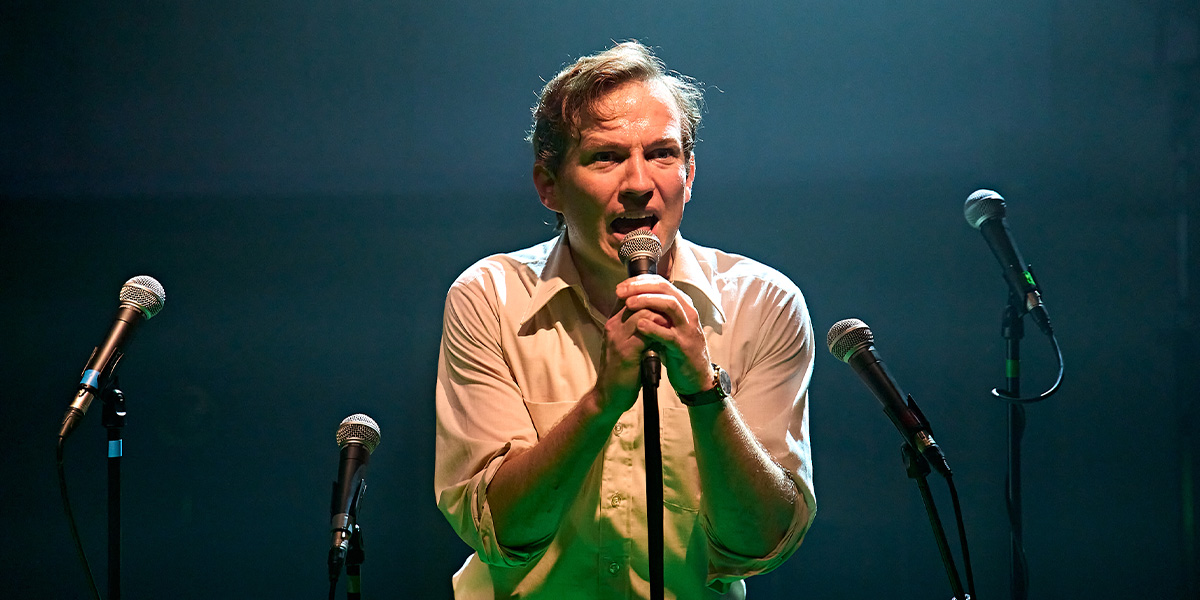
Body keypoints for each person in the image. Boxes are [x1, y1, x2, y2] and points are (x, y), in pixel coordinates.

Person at [434, 41, 816, 599]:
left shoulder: (764, 303)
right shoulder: (490, 297)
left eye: (662, 153)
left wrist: (705, 391)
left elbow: (761, 545)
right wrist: (601, 402)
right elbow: (501, 532)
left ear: (689, 173)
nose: (639, 183)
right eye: (606, 157)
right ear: (548, 186)